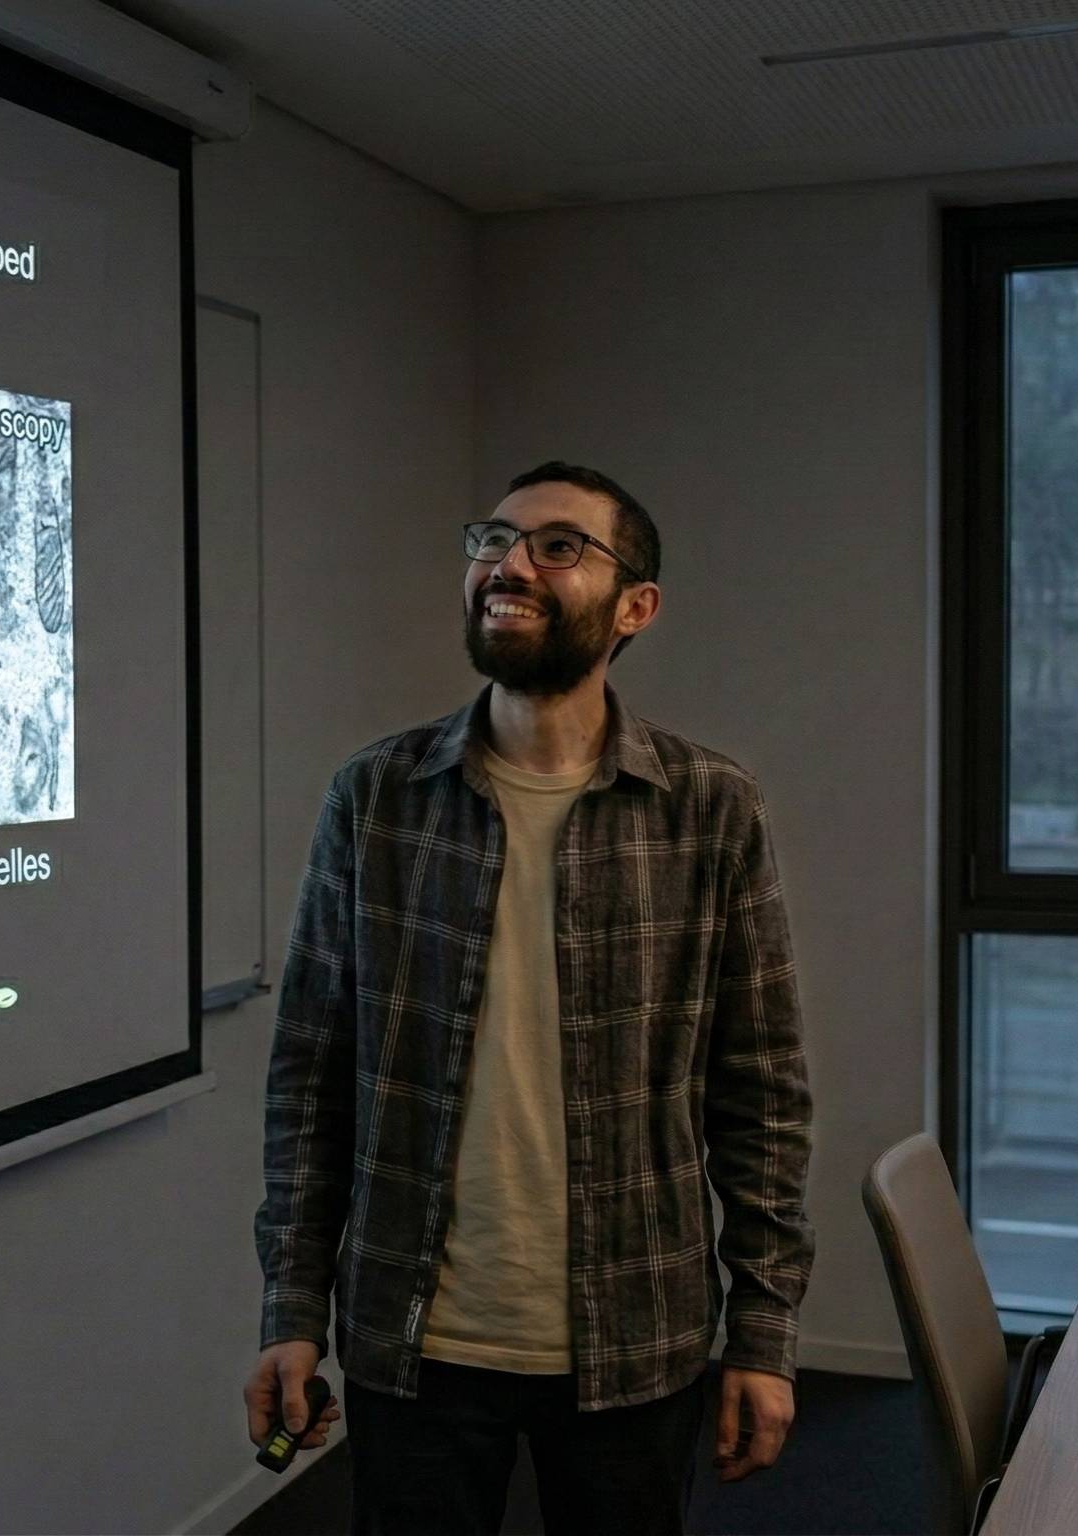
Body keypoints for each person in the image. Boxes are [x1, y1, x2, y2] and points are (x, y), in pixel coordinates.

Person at [244, 462, 815, 1534]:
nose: (507, 563)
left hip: (634, 1335)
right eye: (492, 540)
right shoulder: (376, 799)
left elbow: (763, 1100)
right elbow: (308, 1081)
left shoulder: (709, 810)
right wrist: (291, 1307)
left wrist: (764, 1332)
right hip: (409, 1335)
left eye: (557, 545)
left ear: (634, 607)